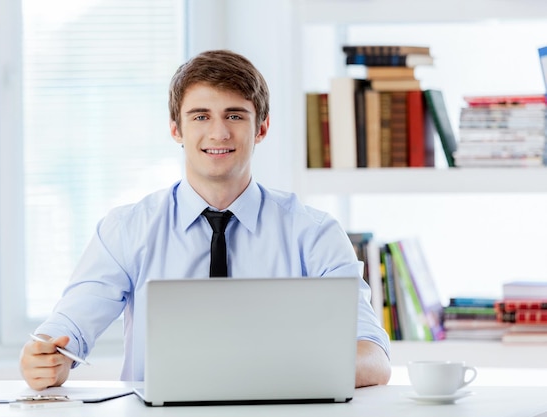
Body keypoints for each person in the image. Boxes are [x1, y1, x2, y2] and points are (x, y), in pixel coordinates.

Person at [20, 49, 392, 391]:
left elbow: (373, 359)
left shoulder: (314, 233)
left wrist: (262, 372)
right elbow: (67, 329)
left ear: (261, 128)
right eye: (201, 116)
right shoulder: (126, 230)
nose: (219, 132)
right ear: (175, 129)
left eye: (235, 115)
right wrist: (49, 359)